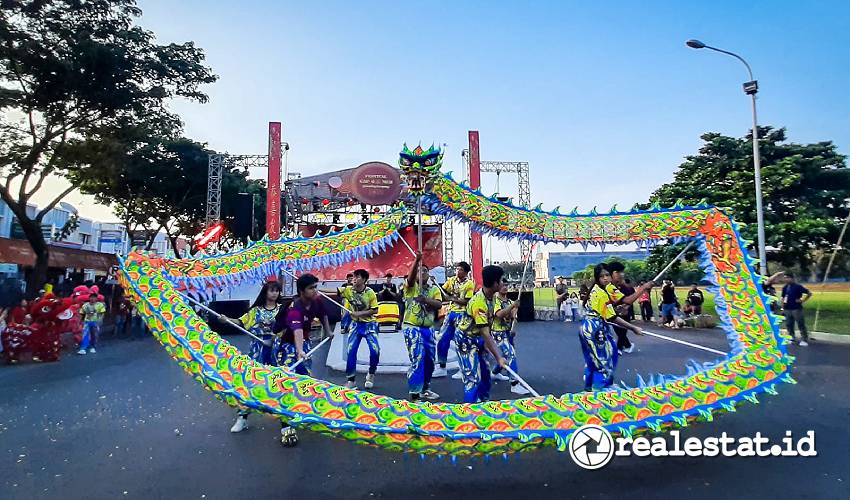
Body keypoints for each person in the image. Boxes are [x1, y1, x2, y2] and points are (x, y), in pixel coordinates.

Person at [267, 273, 333, 446]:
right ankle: (286, 426)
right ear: (302, 291)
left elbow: (324, 314)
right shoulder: (294, 308)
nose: (315, 291)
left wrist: (328, 331)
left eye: (315, 287)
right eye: (311, 288)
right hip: (285, 344)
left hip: (303, 343)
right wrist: (299, 351)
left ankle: (304, 412)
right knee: (286, 384)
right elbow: (296, 331)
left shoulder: (317, 301)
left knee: (305, 380)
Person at [581, 264, 643, 391]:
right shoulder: (601, 293)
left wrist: (616, 309)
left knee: (594, 359)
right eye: (602, 276)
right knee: (606, 357)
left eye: (607, 275)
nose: (605, 278)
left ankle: (590, 387)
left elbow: (609, 310)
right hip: (596, 329)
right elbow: (612, 317)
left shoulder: (600, 289)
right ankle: (601, 389)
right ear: (597, 278)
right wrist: (633, 328)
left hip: (588, 326)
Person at [453, 265, 508, 403]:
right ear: (495, 283)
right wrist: (499, 357)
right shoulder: (479, 303)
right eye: (502, 281)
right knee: (472, 379)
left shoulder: (493, 297)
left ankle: (484, 406)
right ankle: (469, 414)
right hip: (465, 340)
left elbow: (488, 327)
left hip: (478, 338)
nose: (504, 283)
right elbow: (486, 333)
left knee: (485, 375)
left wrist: (490, 347)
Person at [401, 252, 443, 401]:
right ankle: (414, 393)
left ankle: (425, 388)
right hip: (412, 327)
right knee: (417, 358)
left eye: (425, 270)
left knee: (430, 360)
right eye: (419, 270)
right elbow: (411, 279)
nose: (422, 273)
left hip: (428, 329)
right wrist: (416, 260)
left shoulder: (434, 289)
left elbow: (438, 304)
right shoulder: (410, 287)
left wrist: (425, 299)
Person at [220, 280, 282, 367]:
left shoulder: (282, 309)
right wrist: (227, 319)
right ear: (265, 292)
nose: (275, 293)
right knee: (258, 371)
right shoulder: (256, 311)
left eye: (277, 291)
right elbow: (241, 321)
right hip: (258, 344)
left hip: (276, 344)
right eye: (272, 291)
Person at [434, 261, 475, 378]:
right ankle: (442, 367)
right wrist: (434, 283)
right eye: (457, 269)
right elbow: (443, 291)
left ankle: (463, 368)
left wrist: (451, 297)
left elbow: (467, 301)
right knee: (442, 339)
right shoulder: (451, 280)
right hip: (450, 313)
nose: (457, 271)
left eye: (461, 269)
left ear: (466, 272)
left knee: (460, 341)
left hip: (462, 314)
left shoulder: (469, 284)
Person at [341, 269, 380, 389]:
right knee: (351, 351)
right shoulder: (348, 290)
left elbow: (375, 310)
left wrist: (360, 314)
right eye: (353, 276)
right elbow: (333, 292)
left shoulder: (370, 293)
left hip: (370, 325)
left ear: (364, 280)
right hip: (356, 326)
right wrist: (316, 290)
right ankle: (351, 380)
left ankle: (371, 373)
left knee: (375, 351)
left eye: (357, 277)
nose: (354, 279)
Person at [490, 279, 529, 395]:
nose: (505, 287)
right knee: (511, 354)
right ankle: (514, 384)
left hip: (507, 332)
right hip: (498, 333)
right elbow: (499, 314)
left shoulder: (509, 301)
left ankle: (495, 372)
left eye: (506, 285)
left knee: (506, 355)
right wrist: (513, 306)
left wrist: (514, 311)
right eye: (502, 285)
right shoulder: (495, 300)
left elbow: (512, 316)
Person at [606, 261, 653, 354]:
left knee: (620, 331)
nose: (622, 275)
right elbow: (628, 300)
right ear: (615, 273)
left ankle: (620, 348)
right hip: (598, 324)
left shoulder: (611, 287)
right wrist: (643, 288)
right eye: (621, 272)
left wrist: (619, 307)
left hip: (607, 318)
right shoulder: (609, 287)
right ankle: (624, 347)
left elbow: (623, 302)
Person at [781, 273, 813, 346]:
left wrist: (802, 300)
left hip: (796, 308)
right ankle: (792, 337)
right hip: (787, 308)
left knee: (800, 324)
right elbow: (783, 298)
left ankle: (804, 339)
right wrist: (782, 308)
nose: (786, 279)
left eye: (787, 278)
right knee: (789, 324)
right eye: (785, 278)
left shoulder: (798, 287)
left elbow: (809, 293)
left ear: (792, 278)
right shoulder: (785, 287)